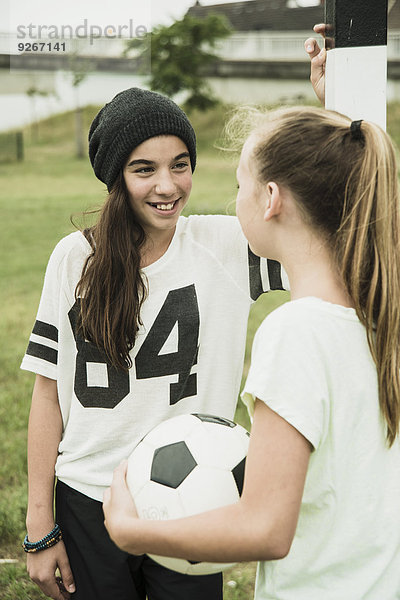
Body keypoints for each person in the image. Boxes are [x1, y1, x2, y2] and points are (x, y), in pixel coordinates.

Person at [103, 105, 400, 600]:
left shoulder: (296, 332)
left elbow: (266, 529)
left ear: (270, 200)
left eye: (240, 185)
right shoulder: (377, 317)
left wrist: (132, 532)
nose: (234, 199)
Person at [20, 88, 287, 600]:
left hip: (195, 498)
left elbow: (330, 229)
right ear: (116, 176)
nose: (168, 185)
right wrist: (40, 525)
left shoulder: (229, 246)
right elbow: (48, 391)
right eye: (144, 169)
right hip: (89, 497)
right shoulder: (74, 259)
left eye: (180, 164)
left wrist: (335, 104)